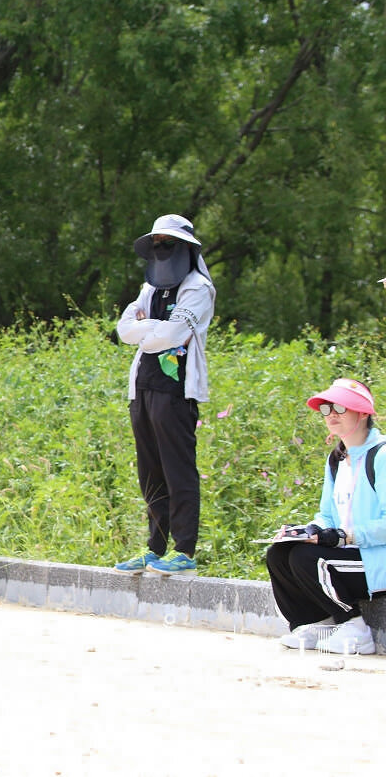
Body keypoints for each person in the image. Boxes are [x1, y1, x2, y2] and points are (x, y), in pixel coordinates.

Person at [115, 214, 216, 576]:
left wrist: (150, 328)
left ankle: (184, 549)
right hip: (142, 387)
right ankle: (154, 548)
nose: (162, 249)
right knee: (151, 472)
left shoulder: (198, 288)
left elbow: (170, 335)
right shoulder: (151, 288)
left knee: (178, 470)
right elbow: (124, 329)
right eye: (157, 242)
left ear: (186, 247)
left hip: (175, 391)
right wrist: (153, 328)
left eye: (168, 242)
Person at [267, 378, 385, 655]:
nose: (332, 414)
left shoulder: (380, 455)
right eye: (327, 408)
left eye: (342, 408)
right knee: (280, 554)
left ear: (363, 413)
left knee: (307, 558)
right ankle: (316, 622)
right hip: (352, 554)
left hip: (376, 558)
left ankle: (355, 628)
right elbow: (327, 516)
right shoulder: (337, 459)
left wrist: (345, 537)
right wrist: (306, 532)